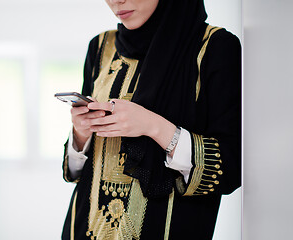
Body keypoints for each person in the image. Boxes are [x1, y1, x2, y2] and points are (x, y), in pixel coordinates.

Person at [61, 0, 241, 239]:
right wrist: (81, 134)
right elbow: (76, 172)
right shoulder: (101, 47)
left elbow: (228, 167)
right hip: (83, 228)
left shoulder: (214, 47)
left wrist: (153, 126)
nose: (116, 1)